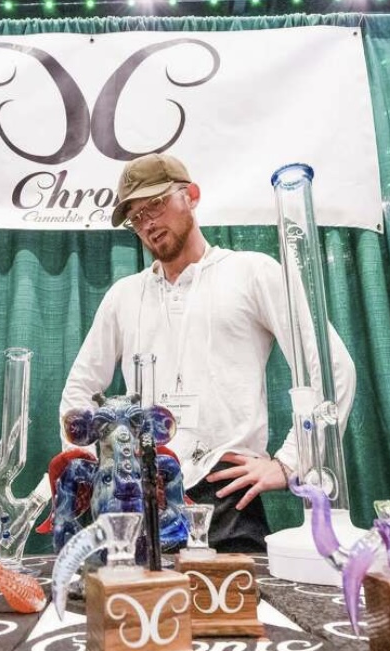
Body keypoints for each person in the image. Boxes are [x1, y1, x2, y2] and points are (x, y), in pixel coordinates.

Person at [57, 151, 356, 554]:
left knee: (238, 597)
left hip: (227, 495)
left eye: (155, 204)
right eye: (136, 217)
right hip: (140, 499)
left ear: (192, 195)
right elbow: (79, 390)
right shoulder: (123, 297)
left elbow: (333, 367)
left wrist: (290, 463)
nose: (147, 223)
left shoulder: (252, 272)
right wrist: (90, 469)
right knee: (134, 595)